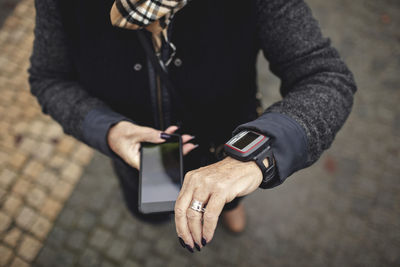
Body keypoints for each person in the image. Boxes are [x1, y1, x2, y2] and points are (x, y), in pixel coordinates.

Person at [29, 0, 356, 253]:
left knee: (226, 198)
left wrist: (256, 155)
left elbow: (325, 78)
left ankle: (230, 209)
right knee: (158, 209)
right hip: (145, 155)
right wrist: (109, 130)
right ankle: (167, 217)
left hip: (226, 146)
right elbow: (49, 78)